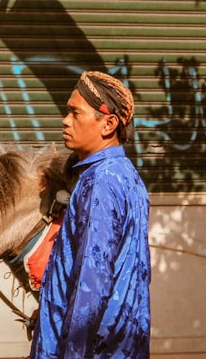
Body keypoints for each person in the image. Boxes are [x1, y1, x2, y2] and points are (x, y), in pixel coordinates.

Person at [29, 70, 151, 358]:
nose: (65, 120)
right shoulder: (124, 175)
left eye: (75, 113)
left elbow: (91, 281)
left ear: (108, 124)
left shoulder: (101, 182)